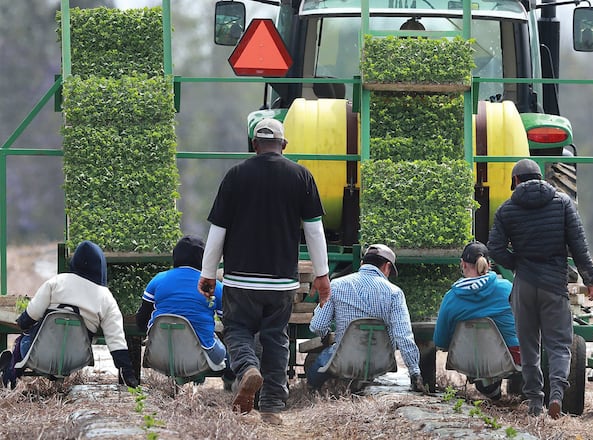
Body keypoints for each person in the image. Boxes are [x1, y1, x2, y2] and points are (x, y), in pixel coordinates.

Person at [198, 118, 331, 425]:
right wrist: (322, 276)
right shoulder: (301, 176)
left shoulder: (235, 176)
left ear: (254, 144)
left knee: (237, 330)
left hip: (240, 279)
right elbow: (314, 231)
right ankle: (272, 403)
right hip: (281, 281)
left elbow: (218, 230)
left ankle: (246, 369)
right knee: (275, 338)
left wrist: (206, 274)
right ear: (283, 146)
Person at [487, 158, 593, 419]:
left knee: (529, 347)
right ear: (542, 177)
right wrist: (590, 280)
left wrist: (517, 263)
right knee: (559, 345)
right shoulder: (563, 204)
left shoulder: (507, 209)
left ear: (515, 181)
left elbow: (495, 249)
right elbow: (579, 246)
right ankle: (556, 394)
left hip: (524, 284)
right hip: (553, 284)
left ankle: (535, 402)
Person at [0, 240, 138, 389]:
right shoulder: (106, 297)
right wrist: (127, 371)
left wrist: (23, 323)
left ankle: (11, 375)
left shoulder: (57, 282)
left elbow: (32, 314)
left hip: (39, 354)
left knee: (22, 341)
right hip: (76, 359)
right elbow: (115, 337)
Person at [306, 244, 424, 393]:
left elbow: (318, 326)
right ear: (387, 267)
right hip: (381, 362)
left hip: (344, 359)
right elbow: (404, 336)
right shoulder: (395, 293)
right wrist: (415, 373)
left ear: (362, 263)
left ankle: (314, 390)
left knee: (322, 360)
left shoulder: (336, 285)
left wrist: (326, 336)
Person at [135, 235, 233, 384]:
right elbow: (230, 323)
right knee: (229, 353)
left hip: (160, 355)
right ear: (204, 258)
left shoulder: (158, 279)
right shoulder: (214, 286)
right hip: (198, 358)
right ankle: (231, 380)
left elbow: (141, 320)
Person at [433, 241, 519, 400]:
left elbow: (441, 341)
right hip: (511, 358)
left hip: (469, 361)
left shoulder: (451, 298)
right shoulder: (507, 288)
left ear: (462, 264)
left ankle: (490, 390)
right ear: (489, 264)